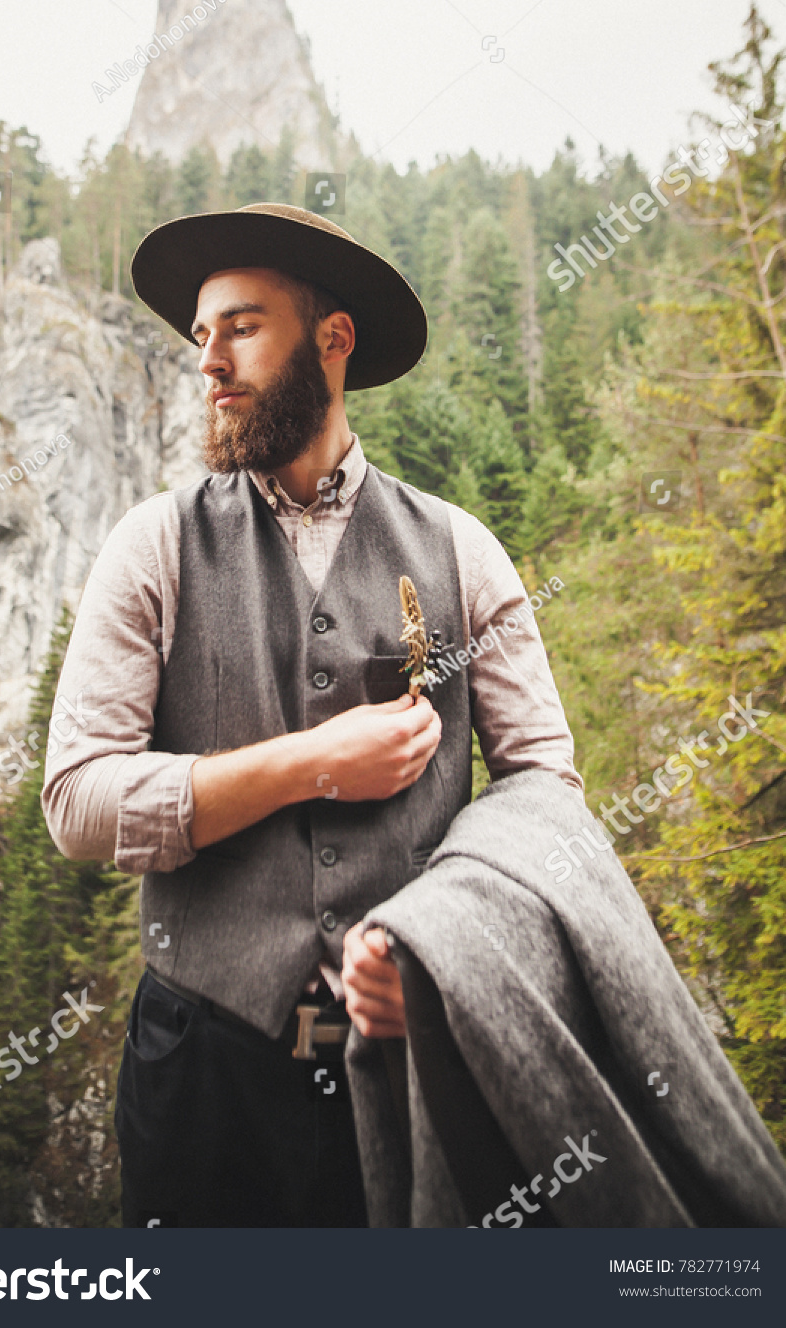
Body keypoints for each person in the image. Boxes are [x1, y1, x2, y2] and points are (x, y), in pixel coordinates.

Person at [41, 201, 582, 1227]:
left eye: (240, 325)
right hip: (200, 1075)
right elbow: (76, 801)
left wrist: (442, 948)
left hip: (421, 1061)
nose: (209, 360)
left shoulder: (463, 551)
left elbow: (545, 795)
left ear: (332, 340)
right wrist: (307, 762)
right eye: (202, 335)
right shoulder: (148, 548)